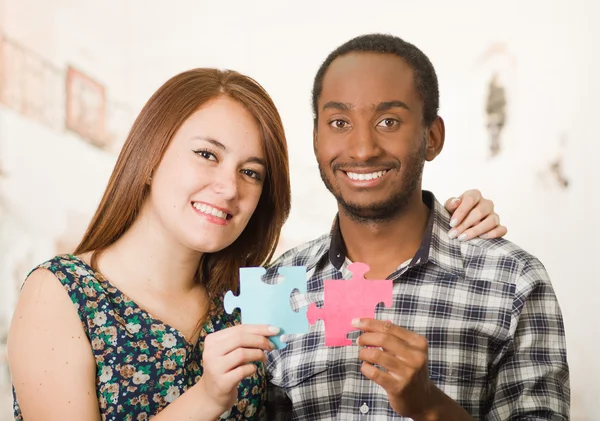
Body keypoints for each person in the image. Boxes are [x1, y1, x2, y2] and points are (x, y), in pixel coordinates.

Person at [8, 68, 506, 421]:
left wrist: (446, 220)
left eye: (251, 172)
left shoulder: (257, 296)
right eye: (207, 154)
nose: (229, 188)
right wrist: (206, 398)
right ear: (150, 156)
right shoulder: (61, 293)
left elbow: (362, 244)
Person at [264, 34, 569, 420]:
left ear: (432, 137)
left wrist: (430, 407)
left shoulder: (514, 282)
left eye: (388, 121)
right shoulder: (277, 286)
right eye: (339, 122)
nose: (362, 149)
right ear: (315, 138)